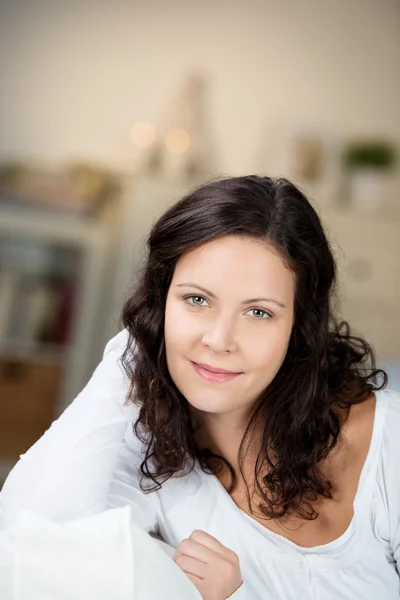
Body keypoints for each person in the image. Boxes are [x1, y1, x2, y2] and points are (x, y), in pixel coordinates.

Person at [0, 175, 399, 599]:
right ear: (161, 300)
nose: (219, 340)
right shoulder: (150, 452)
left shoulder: (387, 444)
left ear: (298, 328)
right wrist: (130, 354)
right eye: (197, 300)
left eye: (259, 312)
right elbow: (25, 543)